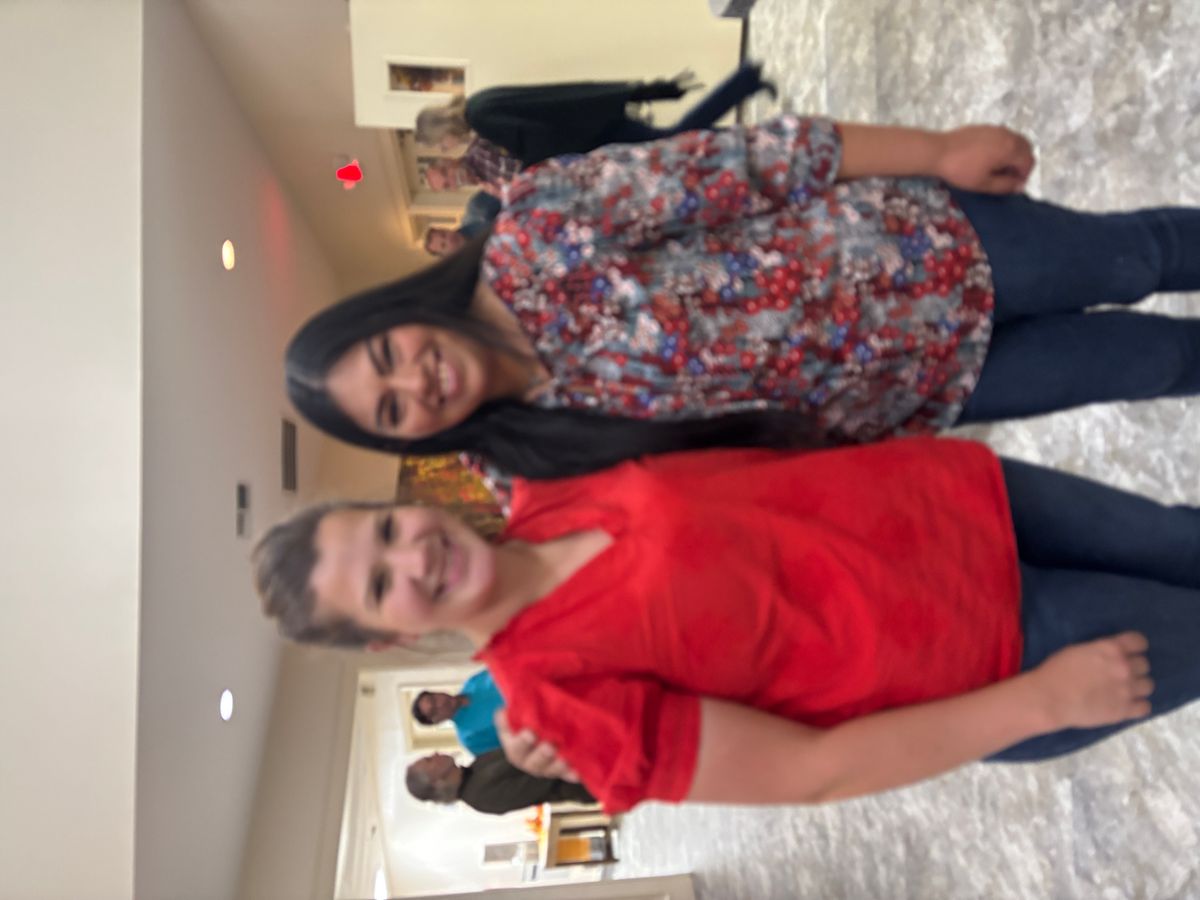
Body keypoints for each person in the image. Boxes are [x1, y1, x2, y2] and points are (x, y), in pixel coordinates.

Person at [251, 437, 1199, 813]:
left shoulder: (551, 486)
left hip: (966, 498)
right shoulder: (559, 701)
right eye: (382, 586)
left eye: (386, 531)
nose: (415, 555)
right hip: (998, 650)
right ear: (386, 640)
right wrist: (1038, 706)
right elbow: (812, 773)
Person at [284, 114, 1200, 480]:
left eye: (387, 356)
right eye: (391, 409)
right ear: (406, 437)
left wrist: (937, 152)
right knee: (1154, 364)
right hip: (928, 391)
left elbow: (748, 164)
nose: (417, 380)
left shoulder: (535, 233)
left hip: (929, 245)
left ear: (394, 315)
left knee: (1134, 260)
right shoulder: (530, 469)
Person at [416, 64, 774, 168]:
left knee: (675, 141)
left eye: (439, 144)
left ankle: (746, 82)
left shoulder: (482, 119)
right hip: (593, 123)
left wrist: (529, 171)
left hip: (594, 131)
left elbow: (539, 138)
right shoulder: (479, 103)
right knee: (674, 142)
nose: (446, 148)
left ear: (442, 130)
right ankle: (747, 118)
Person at [405, 749, 594, 815]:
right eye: (429, 760)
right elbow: (541, 776)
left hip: (581, 757)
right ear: (436, 781)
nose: (435, 753)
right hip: (587, 776)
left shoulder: (476, 766)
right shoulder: (480, 797)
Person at [412, 669, 505, 755]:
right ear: (437, 722)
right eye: (434, 711)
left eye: (434, 699)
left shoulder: (473, 682)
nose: (441, 704)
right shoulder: (471, 739)